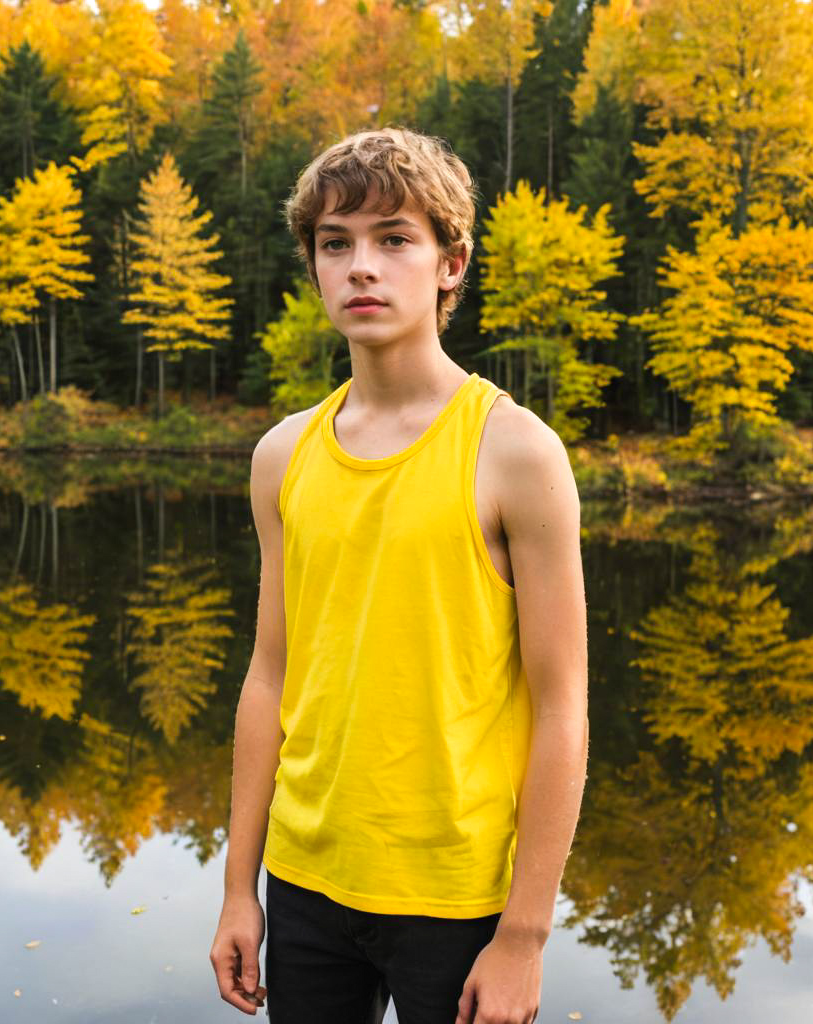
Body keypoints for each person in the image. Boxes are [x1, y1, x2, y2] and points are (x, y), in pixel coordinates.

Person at [210, 126, 588, 1024]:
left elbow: (564, 705)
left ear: (451, 264)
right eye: (335, 245)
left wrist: (524, 936)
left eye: (393, 239)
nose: (361, 268)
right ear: (313, 266)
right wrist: (238, 888)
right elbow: (270, 676)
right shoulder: (282, 455)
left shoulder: (515, 453)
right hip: (305, 882)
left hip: (456, 900)